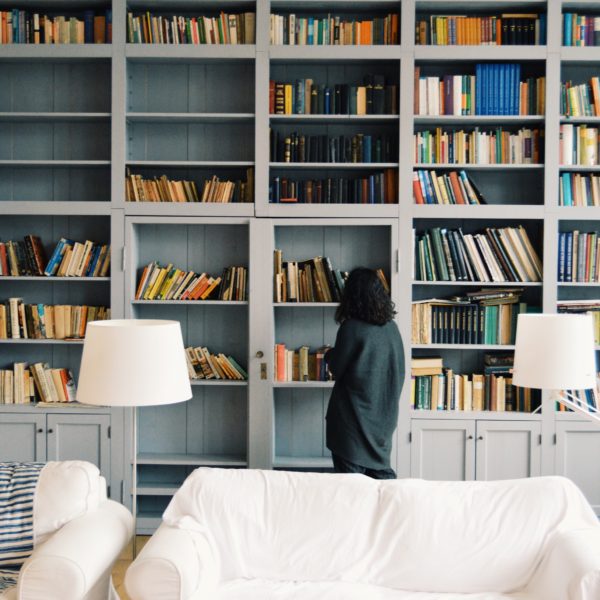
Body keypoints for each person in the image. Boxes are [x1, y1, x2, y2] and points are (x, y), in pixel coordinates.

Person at [325, 267, 405, 479]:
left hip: (351, 423)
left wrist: (329, 355)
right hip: (383, 422)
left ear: (352, 296)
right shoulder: (392, 328)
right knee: (383, 489)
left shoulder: (351, 328)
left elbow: (336, 368)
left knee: (352, 494)